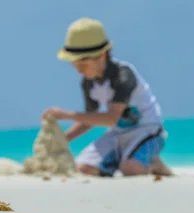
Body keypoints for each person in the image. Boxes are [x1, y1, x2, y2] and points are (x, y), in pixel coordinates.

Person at [42, 17, 172, 177]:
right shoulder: (88, 83)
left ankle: (151, 162)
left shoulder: (123, 75)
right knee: (83, 169)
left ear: (101, 55)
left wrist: (65, 114)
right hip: (118, 133)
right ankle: (124, 160)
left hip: (147, 130)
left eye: (83, 65)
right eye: (75, 66)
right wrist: (61, 139)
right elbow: (89, 120)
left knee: (131, 170)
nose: (79, 71)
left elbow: (111, 118)